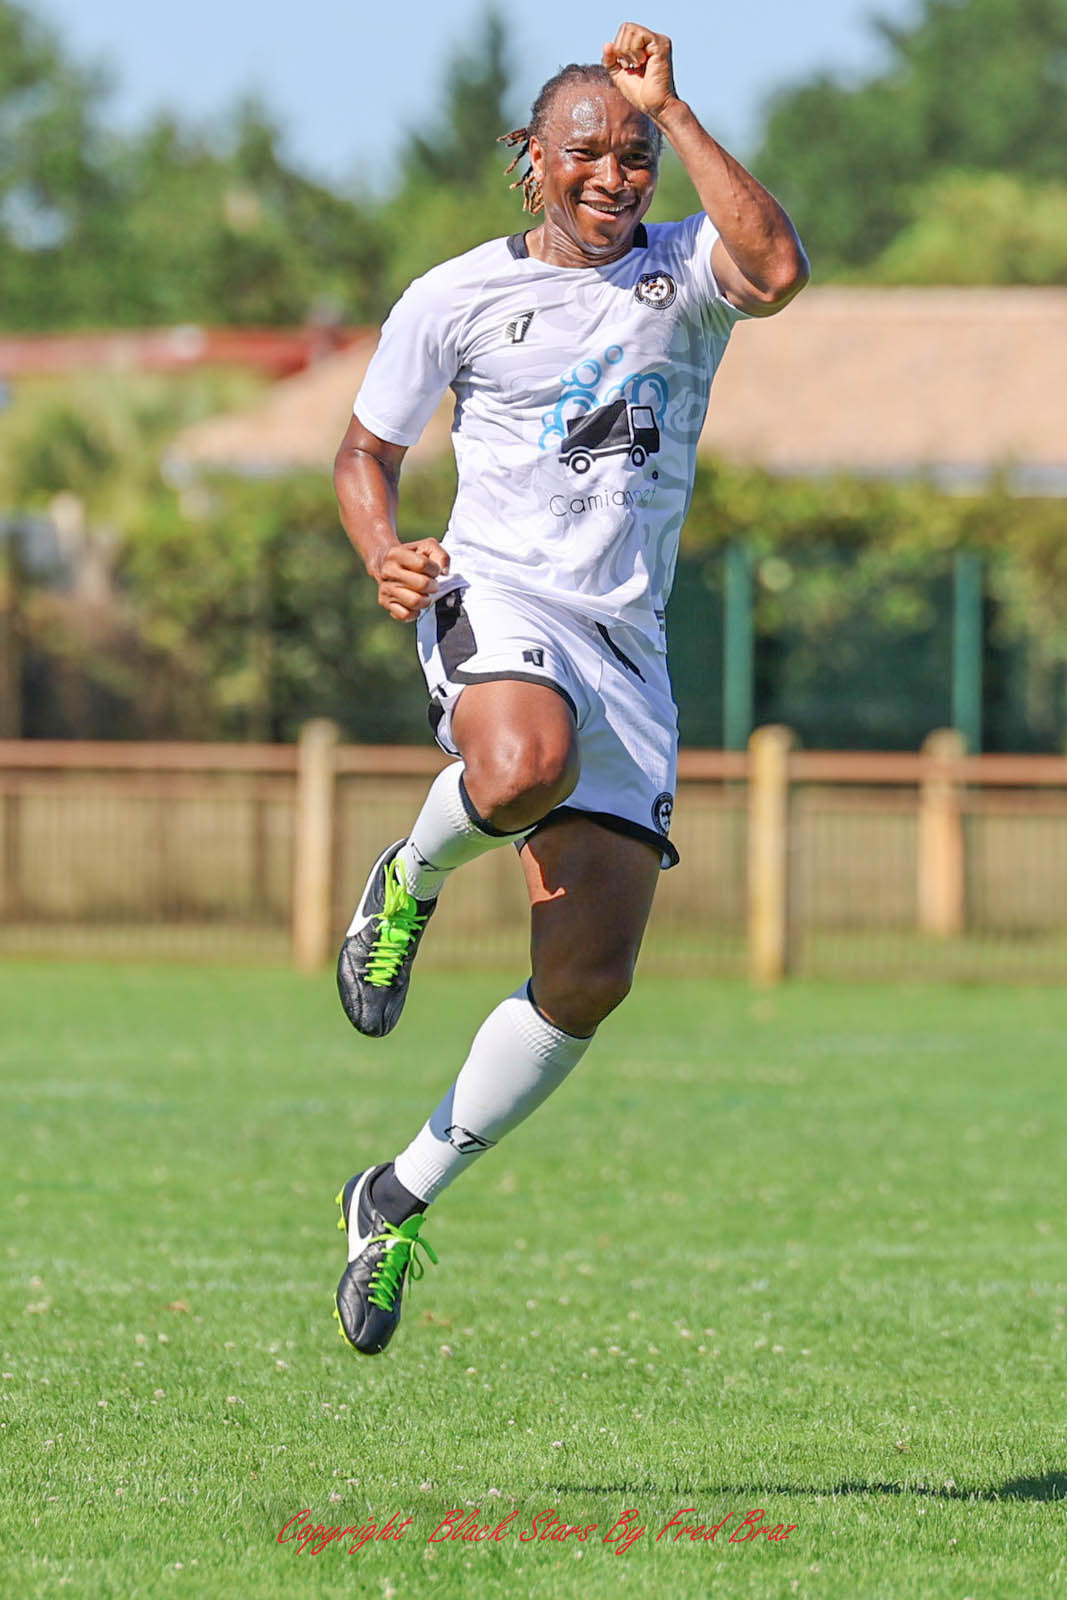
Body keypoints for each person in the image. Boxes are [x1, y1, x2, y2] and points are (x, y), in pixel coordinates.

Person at [331, 21, 808, 1356]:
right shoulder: (453, 298)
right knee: (518, 764)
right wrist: (384, 551)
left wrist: (680, 111)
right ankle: (413, 877)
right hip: (497, 598)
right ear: (530, 160)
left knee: (586, 982)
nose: (615, 174)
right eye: (587, 151)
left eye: (635, 155)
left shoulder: (684, 271)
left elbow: (776, 268)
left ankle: (395, 1195)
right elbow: (365, 453)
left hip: (629, 646)